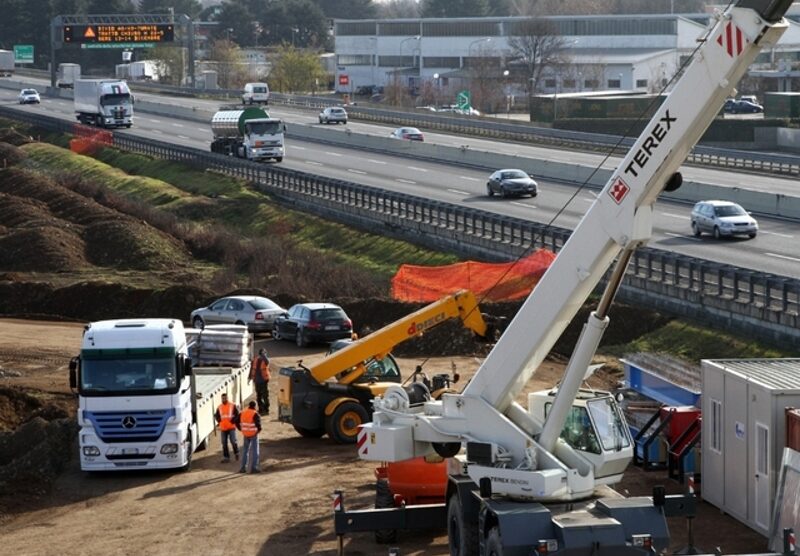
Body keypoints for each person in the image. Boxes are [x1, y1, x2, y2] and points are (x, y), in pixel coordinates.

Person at [237, 400, 262, 473]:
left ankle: (243, 468)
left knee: (245, 451)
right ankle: (253, 468)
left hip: (245, 434)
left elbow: (235, 421)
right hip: (253, 434)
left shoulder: (243, 412)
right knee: (255, 451)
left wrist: (241, 429)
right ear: (255, 406)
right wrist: (258, 431)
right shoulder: (255, 414)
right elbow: (259, 425)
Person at [214, 393, 240, 463]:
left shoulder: (232, 405)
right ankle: (226, 457)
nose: (224, 399)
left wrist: (232, 422)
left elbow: (237, 414)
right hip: (223, 428)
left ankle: (236, 453)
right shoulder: (219, 407)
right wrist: (220, 422)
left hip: (231, 427)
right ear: (221, 399)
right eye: (223, 398)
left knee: (233, 441)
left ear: (227, 398)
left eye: (225, 398)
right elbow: (216, 416)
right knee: (224, 443)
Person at [250, 348, 271, 415]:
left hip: (264, 380)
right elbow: (252, 368)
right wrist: (250, 377)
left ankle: (266, 409)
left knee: (265, 396)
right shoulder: (255, 359)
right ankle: (261, 409)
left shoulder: (265, 360)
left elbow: (267, 361)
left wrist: (264, 355)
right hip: (257, 381)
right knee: (259, 396)